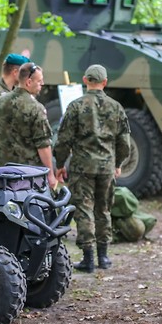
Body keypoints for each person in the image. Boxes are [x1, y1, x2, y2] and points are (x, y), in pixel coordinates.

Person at [53, 64, 131, 273]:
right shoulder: (116, 107)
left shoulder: (75, 106)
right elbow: (125, 143)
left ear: (85, 80)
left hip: (82, 168)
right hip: (106, 168)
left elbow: (63, 140)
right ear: (105, 82)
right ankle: (103, 257)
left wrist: (60, 164)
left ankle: (88, 259)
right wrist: (117, 164)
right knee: (103, 209)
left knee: (84, 210)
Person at [0, 62, 58, 189]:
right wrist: (50, 175)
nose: (42, 84)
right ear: (29, 82)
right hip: (29, 175)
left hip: (3, 172)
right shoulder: (36, 108)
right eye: (39, 81)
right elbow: (43, 145)